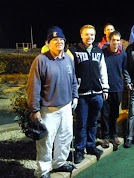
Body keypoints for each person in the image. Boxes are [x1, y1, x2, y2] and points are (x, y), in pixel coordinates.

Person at [27, 26, 78, 178]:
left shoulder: (68, 59)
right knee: (46, 141)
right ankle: (43, 170)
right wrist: (34, 109)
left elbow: (73, 80)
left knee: (65, 137)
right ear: (47, 43)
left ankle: (59, 163)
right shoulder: (41, 60)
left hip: (66, 107)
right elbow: (33, 86)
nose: (59, 42)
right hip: (48, 109)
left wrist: (74, 97)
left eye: (61, 39)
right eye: (54, 40)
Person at [67, 24, 109, 164]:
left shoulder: (99, 51)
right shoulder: (73, 51)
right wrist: (73, 93)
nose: (89, 37)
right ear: (81, 35)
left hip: (97, 93)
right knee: (81, 123)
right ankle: (79, 150)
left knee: (93, 122)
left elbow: (103, 71)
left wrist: (105, 88)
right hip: (81, 94)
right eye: (87, 34)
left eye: (92, 34)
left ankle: (90, 146)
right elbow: (70, 73)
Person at [100, 30, 129, 148]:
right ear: (109, 41)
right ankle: (105, 136)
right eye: (113, 40)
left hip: (118, 87)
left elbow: (124, 70)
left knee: (115, 113)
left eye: (118, 40)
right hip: (105, 88)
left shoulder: (123, 55)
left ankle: (114, 135)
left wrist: (128, 82)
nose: (116, 42)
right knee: (105, 113)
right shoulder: (102, 53)